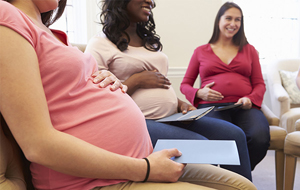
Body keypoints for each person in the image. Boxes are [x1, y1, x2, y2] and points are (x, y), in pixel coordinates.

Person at [0, 0, 257, 190]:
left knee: (243, 181)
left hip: (144, 148)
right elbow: (37, 143)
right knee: (206, 146)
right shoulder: (8, 17)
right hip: (98, 176)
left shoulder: (51, 34)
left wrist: (104, 81)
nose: (151, 3)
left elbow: (69, 89)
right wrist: (147, 168)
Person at [85, 0, 252, 180]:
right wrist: (136, 81)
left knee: (234, 135)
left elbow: (160, 84)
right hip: (138, 121)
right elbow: (95, 98)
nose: (151, 1)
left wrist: (180, 104)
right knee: (202, 147)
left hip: (171, 116)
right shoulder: (100, 43)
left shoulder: (148, 42)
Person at [180, 2, 270, 171]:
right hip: (211, 108)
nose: (233, 23)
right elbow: (185, 85)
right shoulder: (201, 51)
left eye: (238, 20)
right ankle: (231, 180)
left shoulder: (249, 50)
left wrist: (250, 99)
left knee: (260, 137)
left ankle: (235, 176)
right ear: (218, 21)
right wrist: (199, 92)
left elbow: (259, 84)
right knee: (224, 137)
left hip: (243, 107)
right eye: (228, 18)